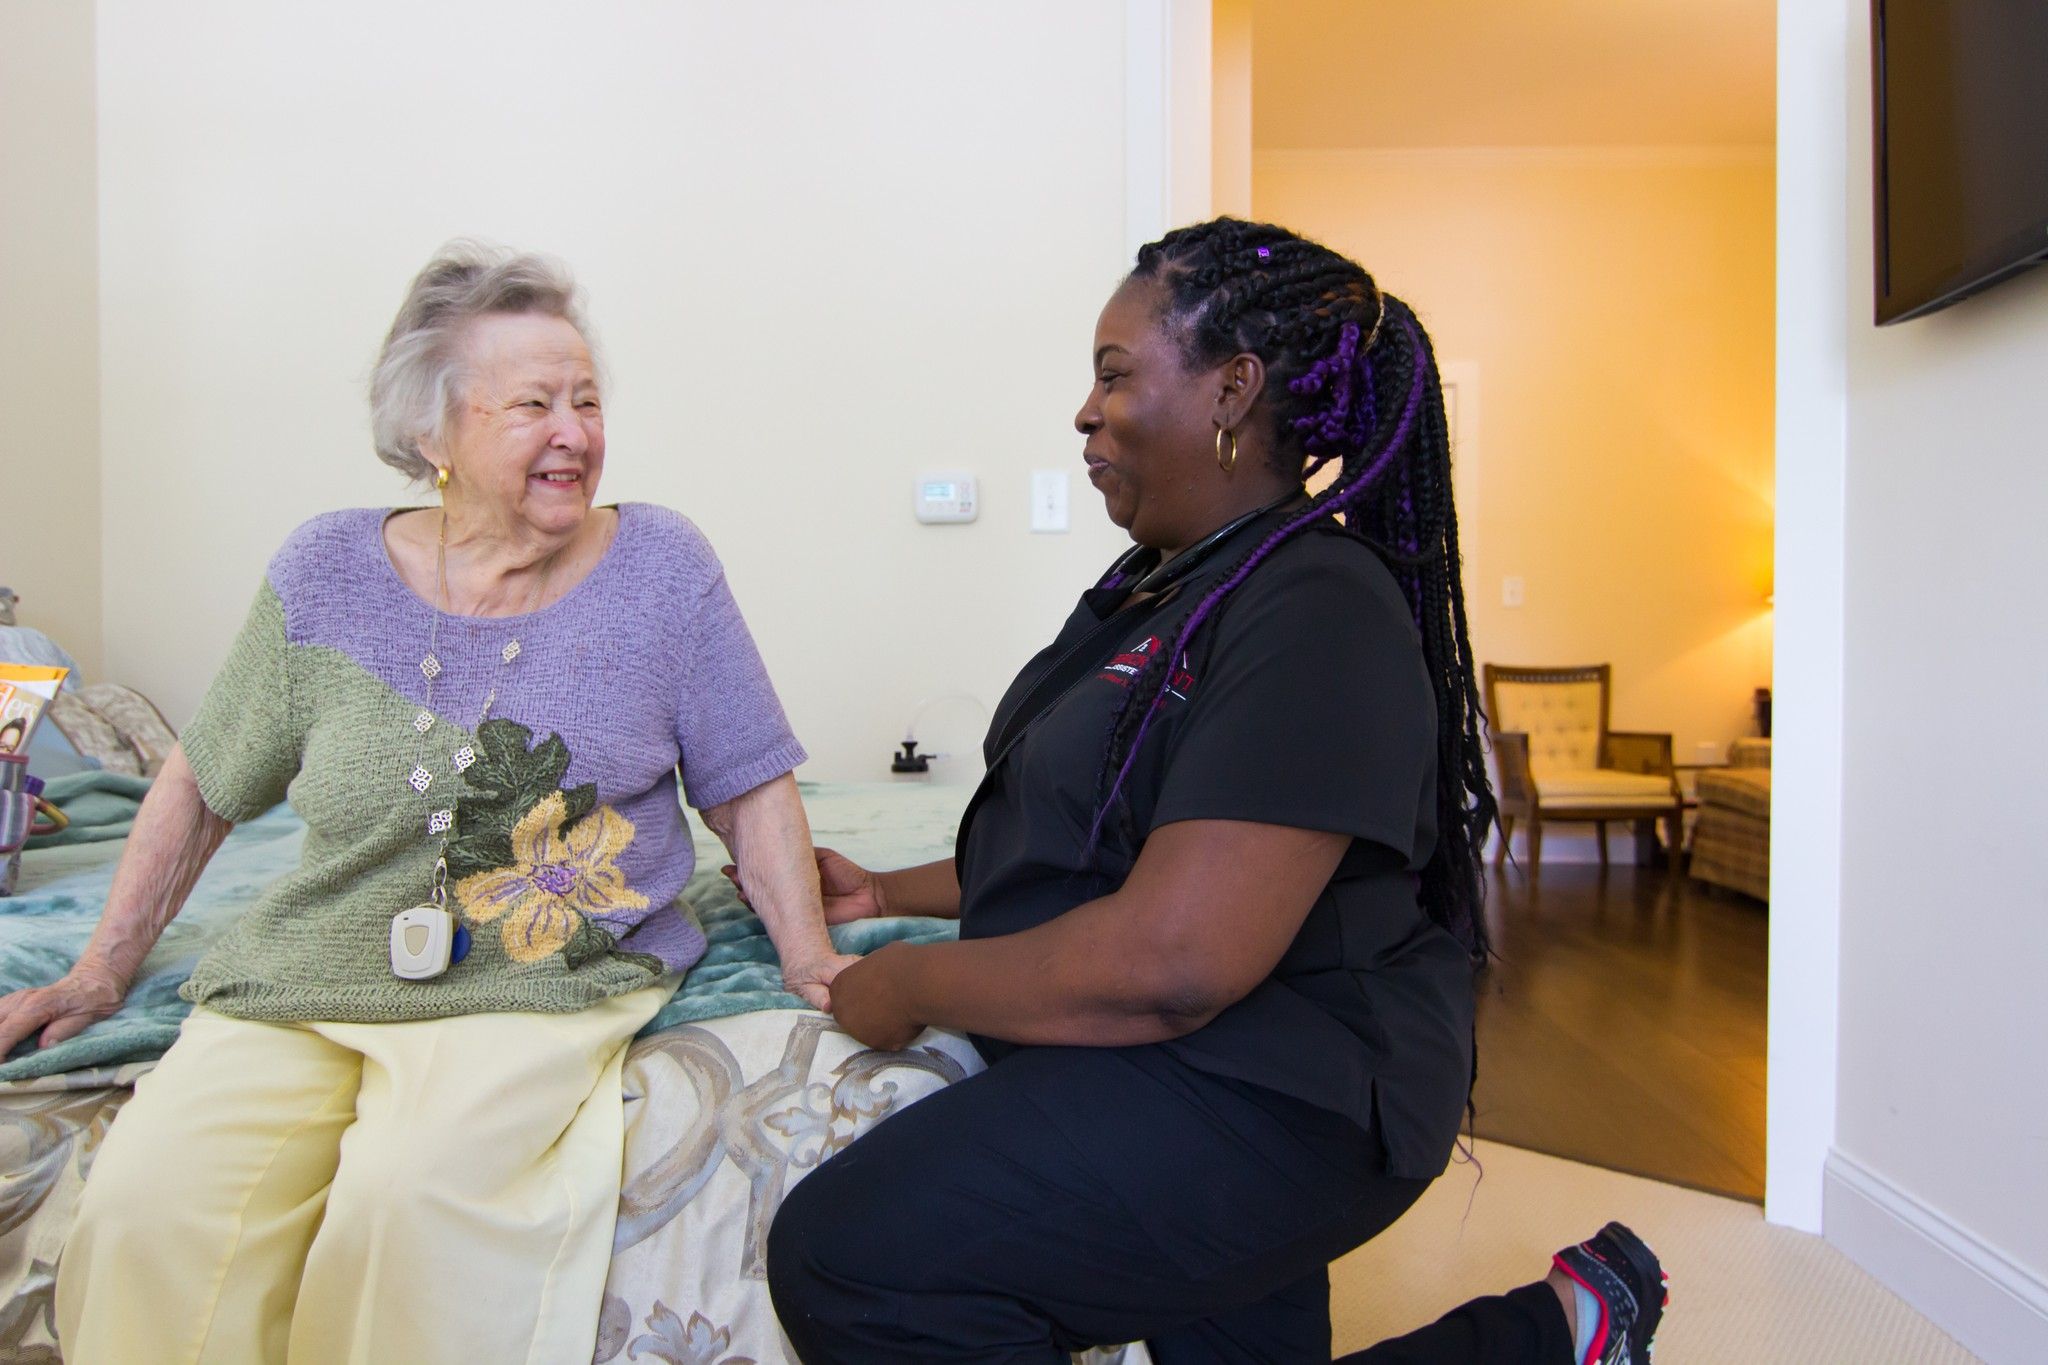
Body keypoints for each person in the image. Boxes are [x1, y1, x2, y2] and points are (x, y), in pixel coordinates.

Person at [764, 219, 1667, 1365]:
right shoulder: (1162, 587)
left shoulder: (1317, 606)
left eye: (1111, 373)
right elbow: (1090, 840)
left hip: (1288, 1093)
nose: (1083, 412)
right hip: (1201, 1057)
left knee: (851, 1252)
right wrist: (881, 890)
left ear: (1231, 390)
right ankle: (1563, 1332)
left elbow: (1174, 962)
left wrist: (906, 982)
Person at [0, 243, 850, 1364]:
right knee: (148, 1207)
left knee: (407, 1207)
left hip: (543, 972)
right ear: (432, 433)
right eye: (535, 404)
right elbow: (203, 782)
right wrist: (102, 967)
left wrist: (810, 963)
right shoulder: (324, 574)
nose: (576, 433)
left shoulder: (661, 566)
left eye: (588, 402)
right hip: (310, 964)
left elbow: (748, 784)